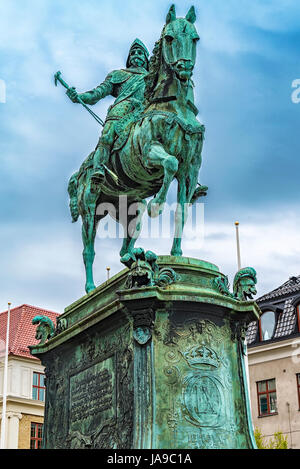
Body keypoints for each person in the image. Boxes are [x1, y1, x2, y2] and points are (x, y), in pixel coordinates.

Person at [66, 38, 149, 183]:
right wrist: (79, 96)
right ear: (129, 58)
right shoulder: (118, 75)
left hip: (144, 113)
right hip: (121, 112)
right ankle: (98, 168)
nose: (137, 55)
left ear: (146, 59)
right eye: (133, 53)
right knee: (106, 137)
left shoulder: (153, 77)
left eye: (140, 53)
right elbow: (97, 93)